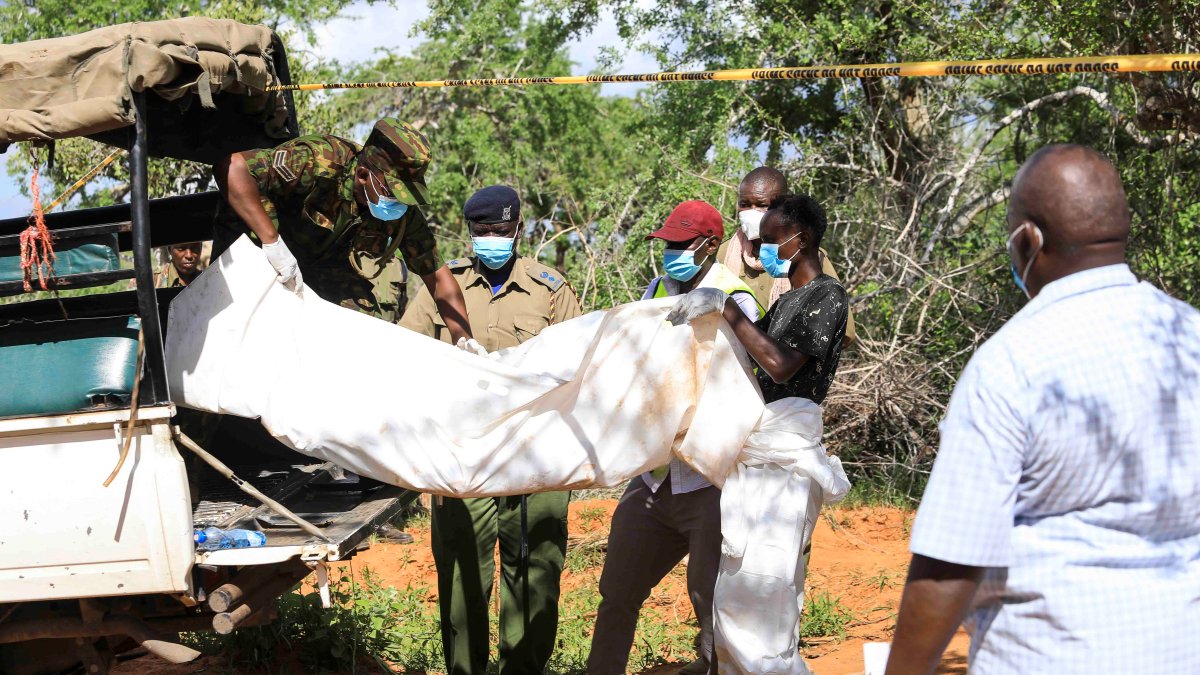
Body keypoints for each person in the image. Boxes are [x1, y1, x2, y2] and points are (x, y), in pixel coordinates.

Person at [885, 145, 1200, 675]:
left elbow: (951, 562)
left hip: (1052, 654)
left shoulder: (1010, 363)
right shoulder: (1189, 334)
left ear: (1027, 239)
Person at [400, 185, 582, 675]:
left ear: (519, 230)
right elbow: (406, 355)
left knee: (536, 568)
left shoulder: (550, 288)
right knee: (461, 572)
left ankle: (523, 668)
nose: (491, 240)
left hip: (535, 451)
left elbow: (581, 367)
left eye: (500, 231)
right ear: (470, 232)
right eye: (481, 232)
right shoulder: (442, 287)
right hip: (464, 452)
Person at [587, 200, 761, 675]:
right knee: (617, 591)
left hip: (708, 479)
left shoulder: (735, 295)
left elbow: (755, 376)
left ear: (708, 245)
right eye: (667, 244)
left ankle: (714, 669)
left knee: (709, 599)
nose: (671, 253)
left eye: (681, 245)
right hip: (654, 477)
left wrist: (725, 314)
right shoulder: (658, 288)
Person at [212, 117, 471, 334]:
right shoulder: (320, 160)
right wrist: (272, 242)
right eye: (393, 192)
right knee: (255, 330)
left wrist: (464, 340)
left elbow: (438, 278)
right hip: (262, 255)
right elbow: (232, 168)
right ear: (362, 175)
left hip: (322, 269)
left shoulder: (400, 212)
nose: (399, 203)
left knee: (364, 329)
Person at [720, 166, 856, 345]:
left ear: (780, 207)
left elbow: (844, 333)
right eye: (744, 204)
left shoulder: (807, 257)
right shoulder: (723, 254)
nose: (750, 212)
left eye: (761, 205)